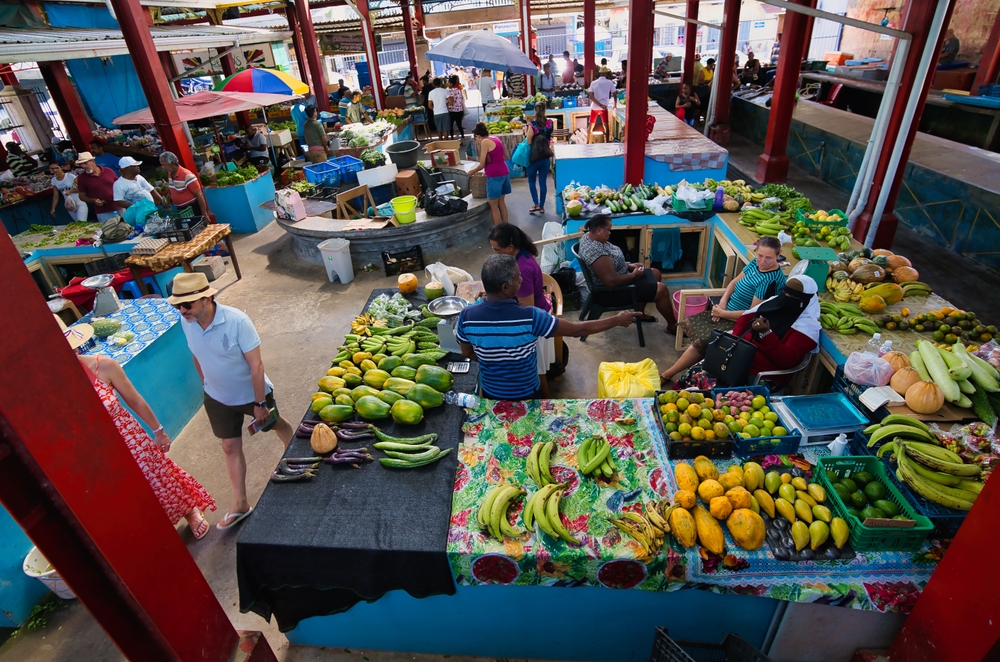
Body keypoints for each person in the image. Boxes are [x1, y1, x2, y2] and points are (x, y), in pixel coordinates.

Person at [57, 316, 215, 539]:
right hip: (96, 451)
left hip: (130, 440)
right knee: (126, 494)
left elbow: (135, 400)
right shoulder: (54, 388)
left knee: (158, 478)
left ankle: (189, 510)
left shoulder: (102, 365)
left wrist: (158, 431)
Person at [169, 272, 293, 530]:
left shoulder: (237, 322)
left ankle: (292, 449)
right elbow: (196, 354)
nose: (182, 310)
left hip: (251, 395)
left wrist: (260, 403)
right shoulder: (187, 321)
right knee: (229, 446)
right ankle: (240, 503)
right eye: (178, 305)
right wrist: (205, 383)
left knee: (274, 424)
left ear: (207, 298)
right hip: (216, 396)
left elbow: (256, 366)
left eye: (187, 304)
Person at [457, 254, 638, 400]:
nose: (521, 279)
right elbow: (577, 330)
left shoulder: (466, 316)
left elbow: (466, 352)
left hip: (491, 394)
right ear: (505, 287)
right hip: (526, 394)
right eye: (517, 277)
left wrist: (493, 362)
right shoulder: (531, 317)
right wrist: (616, 320)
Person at [659, 236, 786, 383]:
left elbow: (752, 314)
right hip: (727, 310)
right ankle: (695, 361)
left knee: (701, 342)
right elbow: (733, 282)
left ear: (778, 255)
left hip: (741, 323)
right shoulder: (755, 263)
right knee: (690, 325)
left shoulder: (770, 281)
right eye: (760, 255)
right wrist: (723, 303)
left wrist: (723, 313)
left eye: (768, 258)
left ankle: (668, 374)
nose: (762, 261)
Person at [662, 276, 820, 390]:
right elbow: (745, 318)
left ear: (805, 301)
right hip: (738, 357)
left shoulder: (806, 328)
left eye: (793, 297)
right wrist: (735, 341)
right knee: (696, 372)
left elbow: (787, 360)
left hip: (762, 373)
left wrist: (766, 334)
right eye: (785, 294)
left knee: (711, 388)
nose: (786, 299)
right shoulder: (775, 303)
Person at [577, 215, 678, 333]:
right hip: (611, 292)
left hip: (618, 278)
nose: (610, 233)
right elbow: (611, 281)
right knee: (661, 290)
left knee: (655, 273)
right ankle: (672, 326)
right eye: (608, 230)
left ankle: (640, 313)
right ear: (599, 230)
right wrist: (634, 275)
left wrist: (629, 265)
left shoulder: (589, 237)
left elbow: (609, 262)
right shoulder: (595, 251)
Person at [488, 223, 551, 312]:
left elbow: (527, 310)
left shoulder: (522, 271)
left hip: (536, 314)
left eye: (497, 250)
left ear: (510, 248)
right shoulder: (521, 252)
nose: (495, 254)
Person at [469, 122, 509, 225]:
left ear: (478, 136)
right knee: (501, 203)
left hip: (495, 175)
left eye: (476, 139)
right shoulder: (495, 138)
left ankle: (498, 231)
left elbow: (482, 164)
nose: (477, 141)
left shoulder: (485, 142)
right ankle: (507, 228)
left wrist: (472, 171)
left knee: (493, 206)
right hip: (504, 172)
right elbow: (494, 158)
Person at [159, 151, 212, 221]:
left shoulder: (187, 175)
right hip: (180, 210)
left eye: (164, 165)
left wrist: (204, 214)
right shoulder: (170, 174)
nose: (163, 167)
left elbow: (200, 196)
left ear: (172, 163)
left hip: (192, 209)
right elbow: (173, 190)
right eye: (162, 165)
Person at [524, 101, 553, 213]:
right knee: (543, 183)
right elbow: (549, 137)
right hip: (545, 157)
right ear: (545, 110)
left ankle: (536, 204)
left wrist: (526, 132)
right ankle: (542, 206)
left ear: (535, 110)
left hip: (534, 158)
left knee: (531, 181)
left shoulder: (532, 125)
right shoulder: (550, 123)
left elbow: (529, 141)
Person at [76, 151, 120, 223]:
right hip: (102, 211)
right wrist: (93, 200)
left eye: (85, 163)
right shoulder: (82, 178)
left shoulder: (108, 171)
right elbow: (81, 196)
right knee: (108, 229)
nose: (83, 166)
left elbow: (119, 185)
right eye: (81, 164)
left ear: (92, 161)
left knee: (126, 227)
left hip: (119, 206)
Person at [588, 67, 617, 134]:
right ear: (606, 74)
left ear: (600, 73)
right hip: (604, 107)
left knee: (591, 126)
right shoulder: (610, 82)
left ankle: (588, 140)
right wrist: (615, 105)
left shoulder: (593, 83)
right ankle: (607, 140)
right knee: (606, 126)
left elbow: (591, 97)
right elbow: (615, 94)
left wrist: (599, 105)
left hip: (594, 107)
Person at [446, 75, 467, 144]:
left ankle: (452, 140)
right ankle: (463, 140)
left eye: (448, 83)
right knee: (459, 125)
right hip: (460, 110)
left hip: (453, 111)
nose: (448, 84)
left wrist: (446, 104)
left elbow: (451, 101)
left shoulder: (451, 91)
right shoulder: (458, 90)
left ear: (451, 83)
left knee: (450, 125)